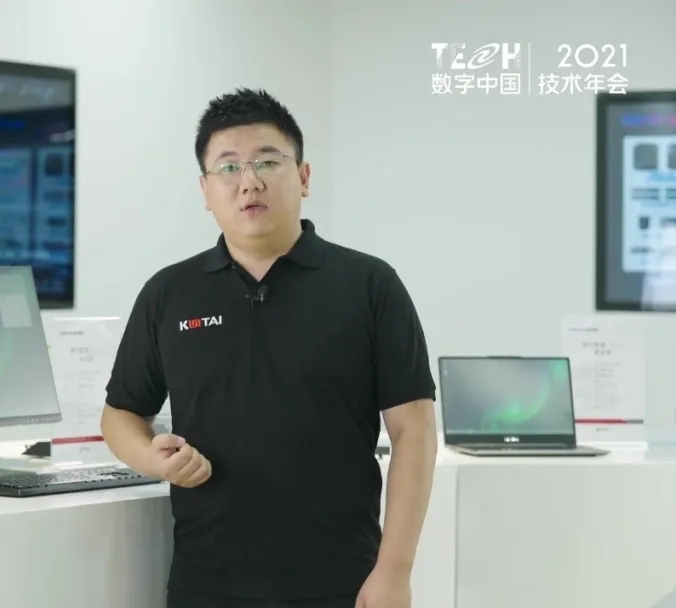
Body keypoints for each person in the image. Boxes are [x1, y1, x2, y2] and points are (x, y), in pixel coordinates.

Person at [100, 88, 438, 608]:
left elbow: (413, 430)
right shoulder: (169, 293)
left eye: (267, 161)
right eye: (228, 167)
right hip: (205, 584)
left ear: (303, 176)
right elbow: (121, 413)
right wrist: (152, 457)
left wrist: (394, 570)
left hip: (341, 583)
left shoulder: (369, 285)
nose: (249, 181)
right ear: (205, 189)